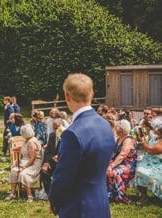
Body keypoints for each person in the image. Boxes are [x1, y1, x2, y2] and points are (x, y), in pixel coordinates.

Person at [50, 73, 114, 217]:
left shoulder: (72, 133)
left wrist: (54, 201)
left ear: (67, 96)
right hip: (101, 203)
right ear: (92, 94)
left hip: (78, 207)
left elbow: (63, 177)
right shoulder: (105, 125)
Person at [7, 124, 42, 202]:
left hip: (34, 163)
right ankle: (13, 193)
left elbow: (33, 158)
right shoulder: (27, 140)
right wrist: (19, 149)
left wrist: (24, 167)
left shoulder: (32, 142)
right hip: (27, 161)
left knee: (23, 173)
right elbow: (26, 150)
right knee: (14, 171)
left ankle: (29, 195)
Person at [107, 120, 137, 203]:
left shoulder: (128, 140)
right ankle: (109, 193)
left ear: (122, 129)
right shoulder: (119, 139)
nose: (115, 129)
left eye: (117, 127)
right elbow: (113, 153)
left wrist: (111, 165)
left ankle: (120, 196)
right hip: (119, 162)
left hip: (128, 165)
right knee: (102, 168)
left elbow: (122, 155)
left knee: (114, 172)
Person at [133, 117, 162, 203]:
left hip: (157, 163)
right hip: (148, 160)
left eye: (156, 128)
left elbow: (150, 150)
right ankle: (144, 196)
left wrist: (143, 142)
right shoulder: (156, 136)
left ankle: (155, 192)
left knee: (142, 172)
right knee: (139, 170)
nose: (154, 129)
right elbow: (149, 136)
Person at [41, 118, 61, 200]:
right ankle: (49, 194)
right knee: (44, 172)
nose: (55, 130)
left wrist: (60, 156)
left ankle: (60, 194)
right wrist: (46, 162)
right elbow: (47, 151)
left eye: (57, 128)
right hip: (52, 162)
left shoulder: (66, 137)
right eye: (54, 128)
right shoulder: (51, 136)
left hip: (62, 163)